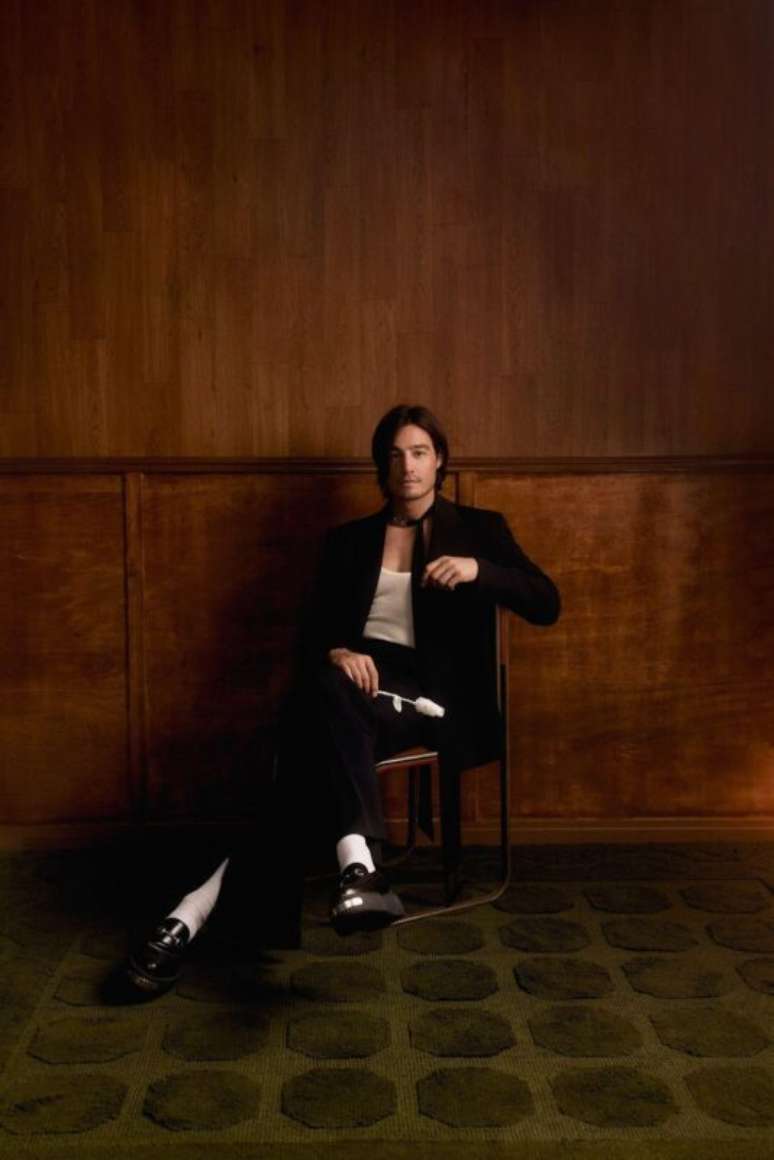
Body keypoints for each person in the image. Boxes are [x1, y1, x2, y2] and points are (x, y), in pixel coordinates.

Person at [119, 404, 560, 997]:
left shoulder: (481, 530)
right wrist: (337, 652)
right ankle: (356, 870)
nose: (408, 466)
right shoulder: (350, 542)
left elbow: (546, 602)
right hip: (354, 694)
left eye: (420, 453)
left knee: (304, 746)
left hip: (431, 702)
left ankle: (188, 916)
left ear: (440, 461)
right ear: (382, 465)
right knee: (325, 699)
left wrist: (480, 570)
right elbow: (314, 638)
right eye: (396, 455)